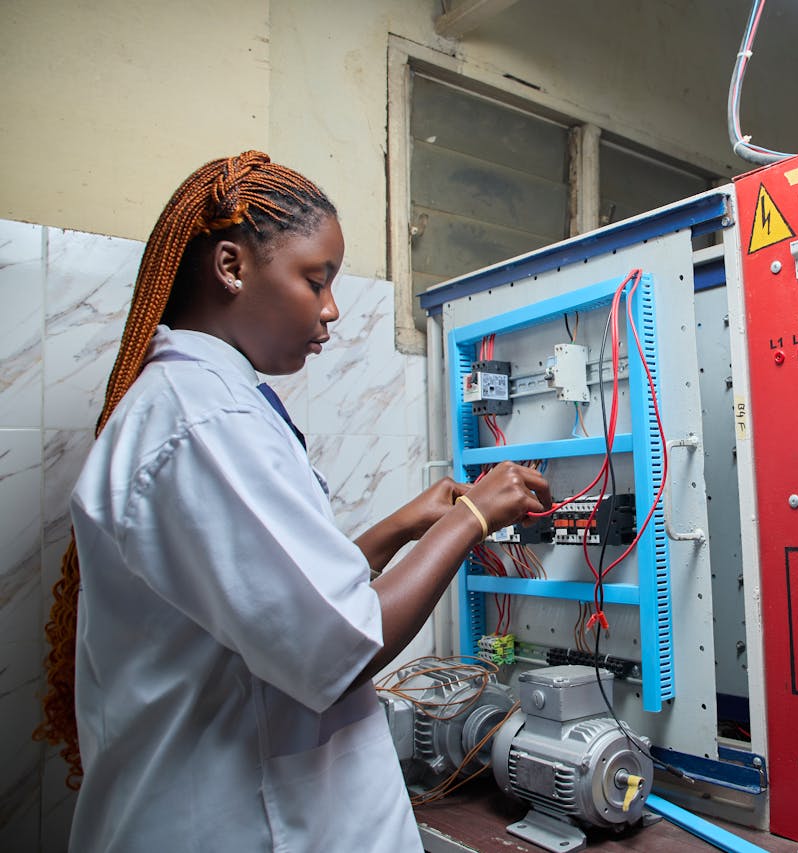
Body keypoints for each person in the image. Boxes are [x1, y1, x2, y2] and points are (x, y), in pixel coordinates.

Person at [34, 151, 551, 851]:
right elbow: (339, 644)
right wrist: (474, 517)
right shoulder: (204, 421)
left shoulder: (204, 404)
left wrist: (401, 527)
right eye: (317, 280)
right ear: (230, 266)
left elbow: (272, 597)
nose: (333, 309)